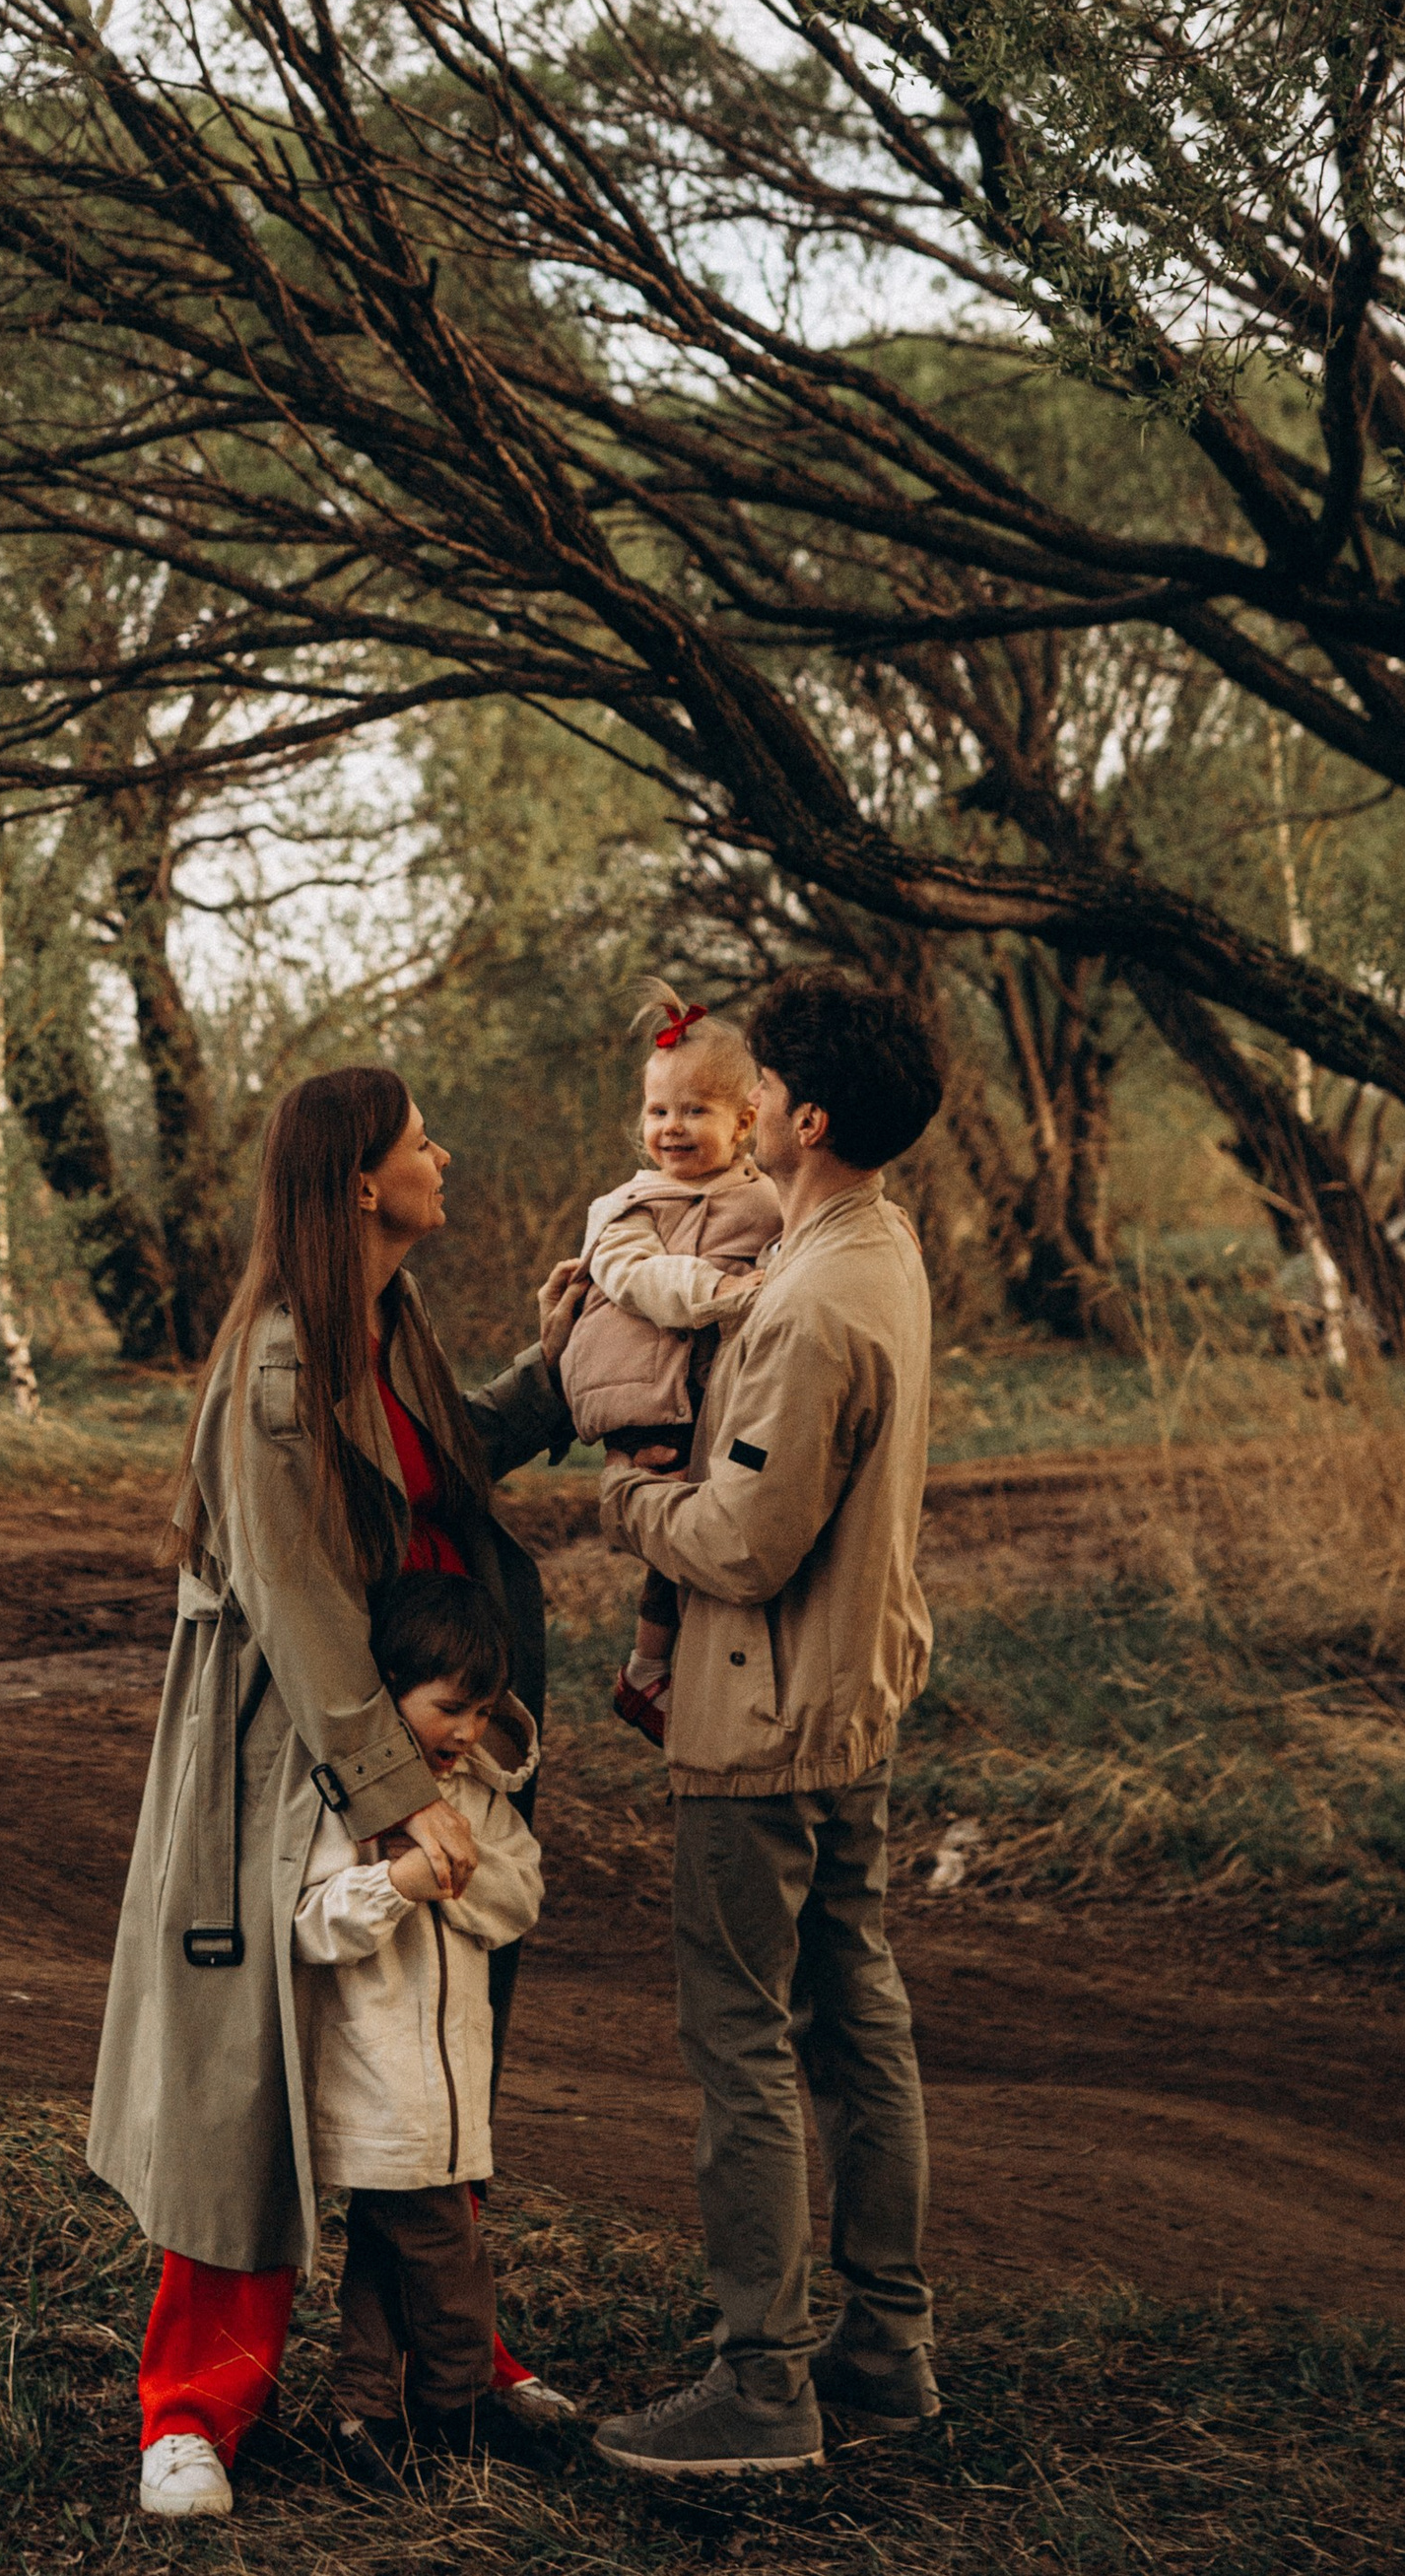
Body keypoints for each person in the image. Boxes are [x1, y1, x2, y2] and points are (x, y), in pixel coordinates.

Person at [88, 1065, 574, 2523]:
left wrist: (555, 1369)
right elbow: (298, 1605)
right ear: (363, 1182)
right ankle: (190, 2412)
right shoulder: (276, 1364)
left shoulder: (386, 1322)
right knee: (250, 2093)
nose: (445, 1154)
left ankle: (445, 2357)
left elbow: (437, 1468)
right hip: (291, 1769)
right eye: (422, 1140)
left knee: (428, 2054)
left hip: (417, 1738)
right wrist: (389, 1793)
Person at [588, 968, 946, 2480]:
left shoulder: (811, 1304)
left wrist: (627, 1502)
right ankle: (885, 2353)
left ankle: (764, 2388)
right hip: (851, 1694)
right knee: (857, 2022)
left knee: (741, 2041)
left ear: (802, 1118)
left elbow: (741, 1542)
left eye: (768, 1082)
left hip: (764, 1711)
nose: (745, 1100)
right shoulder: (872, 1242)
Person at [294, 1572, 548, 2491]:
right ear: (389, 1690)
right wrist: (391, 1884)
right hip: (380, 2085)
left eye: (483, 1711)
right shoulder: (344, 1803)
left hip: (451, 2088)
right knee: (446, 2253)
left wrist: (450, 1872)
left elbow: (521, 1893)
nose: (468, 1732)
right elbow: (310, 1922)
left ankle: (362, 2411)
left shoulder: (473, 1798)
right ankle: (457, 2400)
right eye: (450, 1707)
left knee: (384, 2248)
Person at [555, 980, 783, 1749]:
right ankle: (648, 1665)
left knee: (725, 1517)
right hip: (646, 1392)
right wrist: (720, 1290)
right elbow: (636, 1276)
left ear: (745, 1121)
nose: (671, 1128)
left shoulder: (766, 1195)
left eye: (695, 1110)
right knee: (683, 1516)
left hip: (712, 1388)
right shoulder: (628, 1204)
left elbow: (810, 1237)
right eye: (658, 1111)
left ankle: (693, 1665)